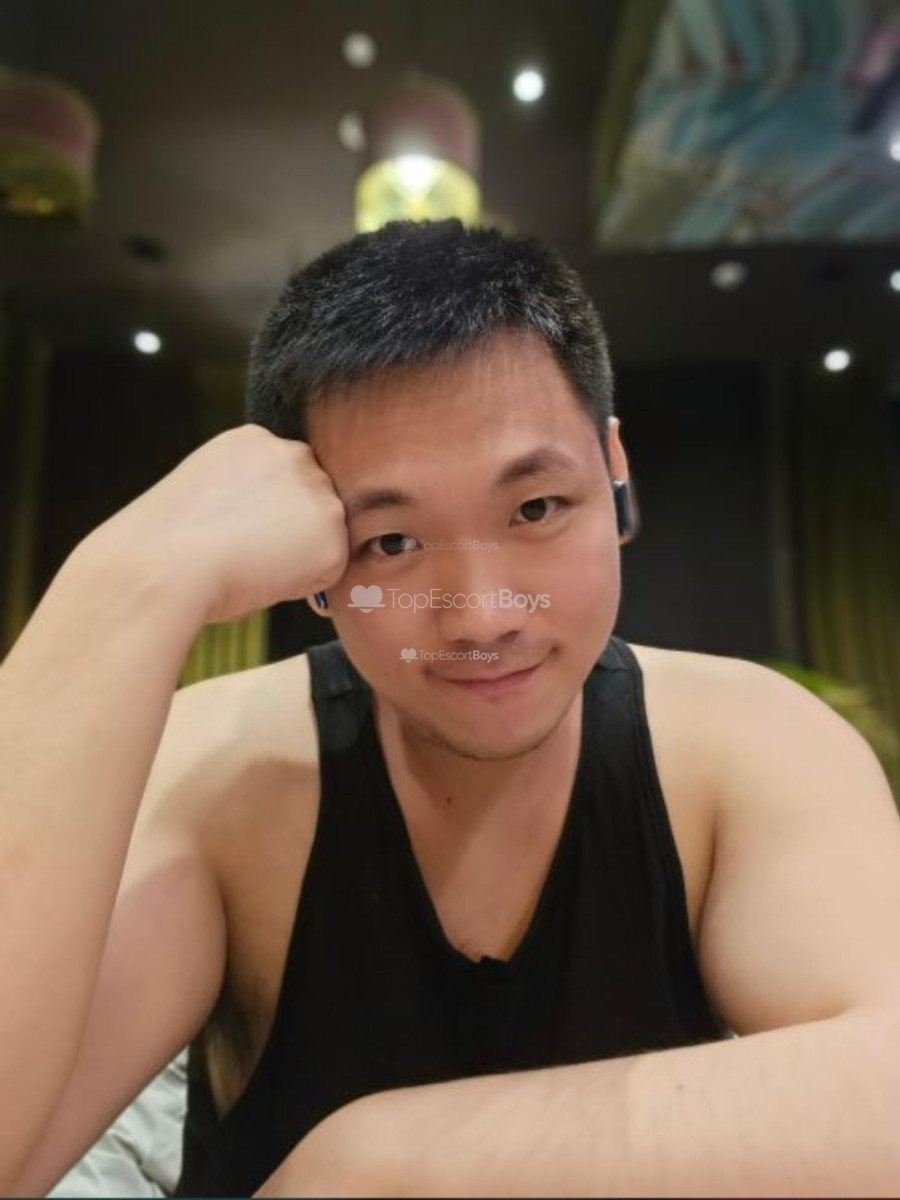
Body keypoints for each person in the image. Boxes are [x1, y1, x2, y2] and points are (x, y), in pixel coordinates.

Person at [2, 219, 899, 1200]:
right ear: (313, 556)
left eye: (535, 509)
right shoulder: (221, 776)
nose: (480, 617)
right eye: (390, 542)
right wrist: (129, 577)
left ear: (613, 472)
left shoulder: (750, 749)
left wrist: (373, 1163)